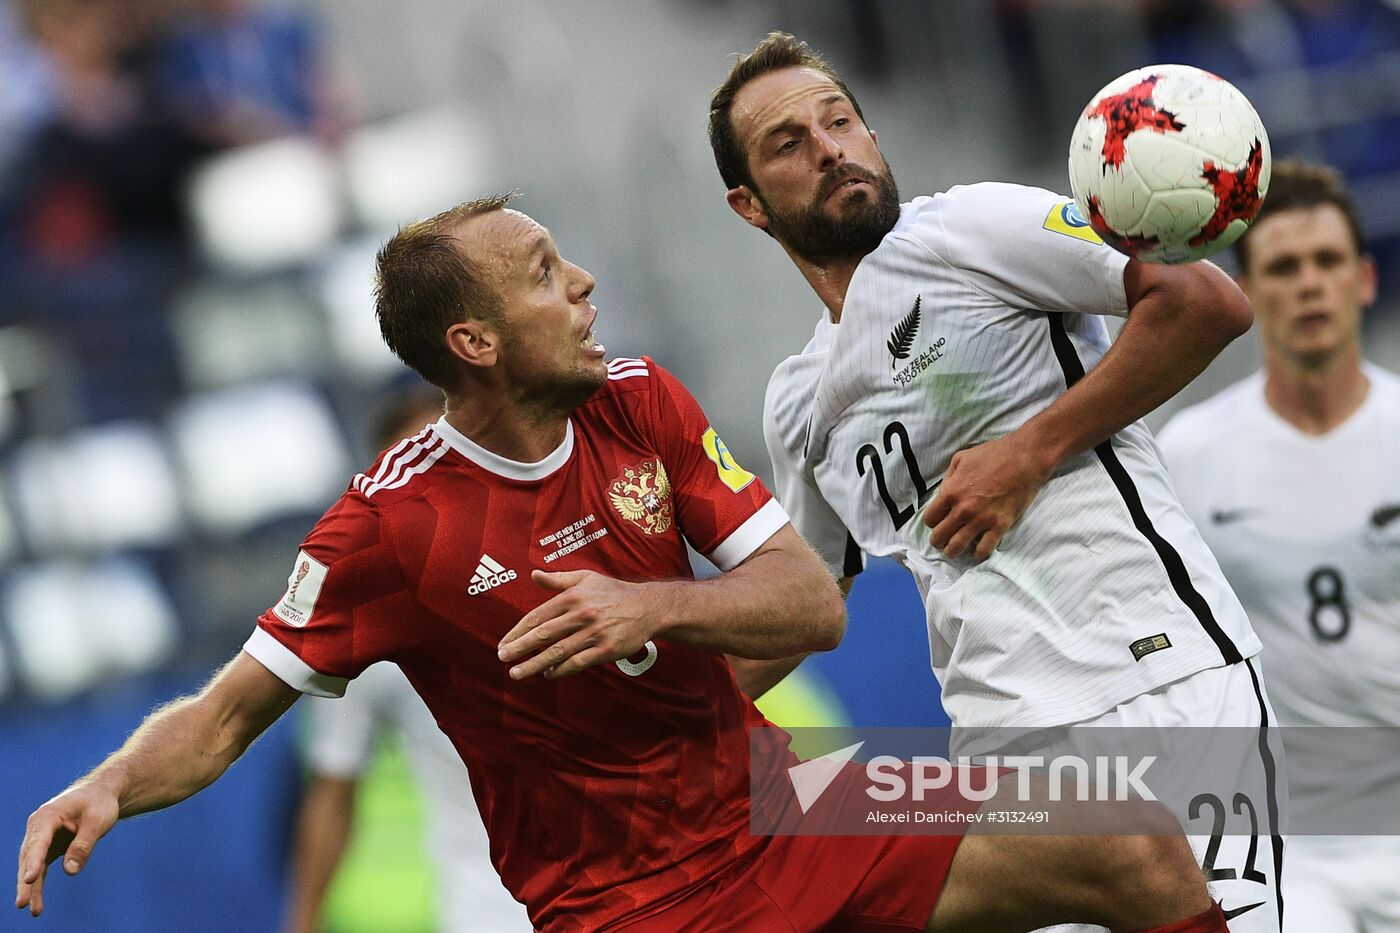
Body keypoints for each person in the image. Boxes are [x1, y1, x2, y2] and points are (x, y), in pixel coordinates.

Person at [19, 195, 1224, 933]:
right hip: (631, 909)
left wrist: (649, 605)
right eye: (544, 271)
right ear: (475, 341)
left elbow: (811, 605)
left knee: (1129, 840)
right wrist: (114, 784)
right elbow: (228, 716)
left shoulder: (638, 401)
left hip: (786, 804)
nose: (584, 282)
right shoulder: (384, 530)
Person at [709, 32, 1285, 931]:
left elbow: (1205, 303)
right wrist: (639, 716)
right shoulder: (798, 400)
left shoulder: (969, 226)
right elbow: (812, 598)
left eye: (842, 121)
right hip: (1001, 753)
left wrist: (1032, 451)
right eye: (790, 143)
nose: (831, 149)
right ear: (748, 204)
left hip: (1157, 683)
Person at [1158, 160, 1400, 933]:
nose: (1308, 285)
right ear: (1249, 293)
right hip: (1294, 843)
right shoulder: (1188, 455)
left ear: (1363, 280)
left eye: (1327, 262)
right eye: (1284, 267)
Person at [284, 389, 531, 933]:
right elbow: (333, 786)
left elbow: (760, 718)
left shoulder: (581, 565)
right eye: (410, 476)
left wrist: (770, 842)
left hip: (653, 896)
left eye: (452, 463)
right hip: (488, 914)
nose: (434, 490)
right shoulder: (366, 632)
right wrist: (301, 923)